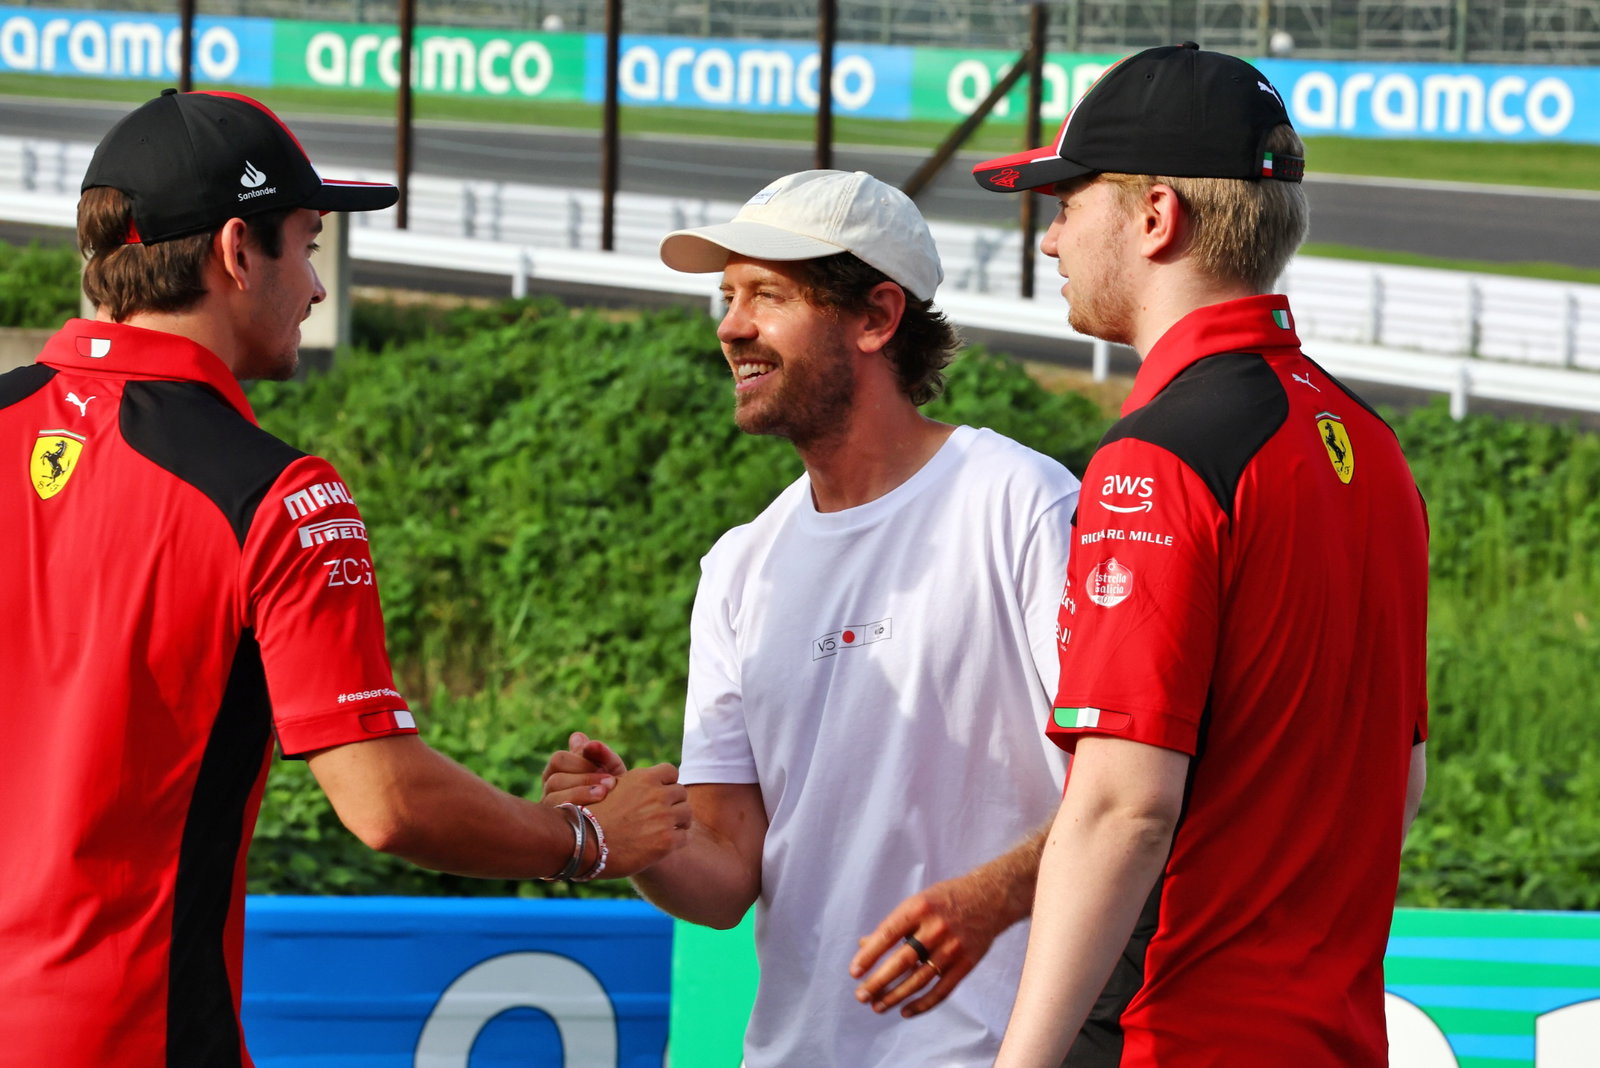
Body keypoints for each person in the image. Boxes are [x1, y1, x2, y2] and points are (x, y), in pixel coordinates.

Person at [0, 89, 689, 1066]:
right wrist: (583, 839)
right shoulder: (276, 493)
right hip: (124, 1034)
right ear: (239, 253)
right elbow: (387, 804)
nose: (315, 290)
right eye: (307, 246)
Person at [542, 168, 1081, 1065]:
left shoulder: (1022, 503)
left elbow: (1124, 796)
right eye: (726, 295)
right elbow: (723, 881)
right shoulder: (740, 566)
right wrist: (623, 834)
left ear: (876, 317)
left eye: (768, 294)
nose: (730, 326)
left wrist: (987, 900)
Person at [971, 43, 1430, 1065]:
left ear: (1153, 217)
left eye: (1065, 201)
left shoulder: (1158, 458)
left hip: (1169, 1033)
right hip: (1331, 1035)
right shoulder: (1374, 451)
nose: (1049, 240)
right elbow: (1395, 791)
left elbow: (1123, 806)